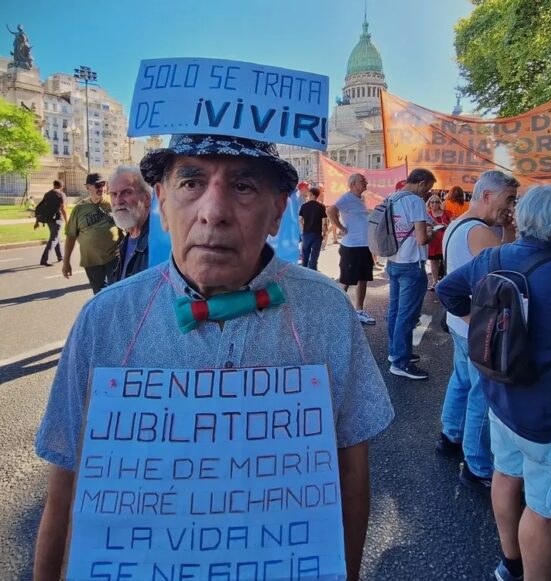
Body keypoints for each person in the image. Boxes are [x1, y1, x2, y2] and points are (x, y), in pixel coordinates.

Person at [33, 133, 394, 581]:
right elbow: (65, 487)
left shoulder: (326, 311)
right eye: (190, 182)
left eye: (243, 186)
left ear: (277, 210)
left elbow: (350, 475)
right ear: (162, 202)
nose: (213, 213)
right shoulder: (104, 320)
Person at [437, 185, 551, 581]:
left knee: (506, 475)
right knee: (545, 511)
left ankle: (510, 564)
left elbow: (448, 290)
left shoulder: (492, 256)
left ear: (523, 217)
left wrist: (480, 327)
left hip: (501, 396)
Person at [436, 170, 518, 494]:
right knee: (482, 396)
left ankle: (450, 435)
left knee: (462, 381)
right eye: (508, 198)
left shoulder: (457, 225)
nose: (511, 205)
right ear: (486, 195)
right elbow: (510, 271)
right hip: (477, 327)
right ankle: (477, 465)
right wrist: (511, 232)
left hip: (461, 322)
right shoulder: (480, 233)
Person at [386, 168, 436, 380]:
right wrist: (433, 233)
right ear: (422, 182)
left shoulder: (391, 198)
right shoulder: (415, 202)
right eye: (428, 188)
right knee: (407, 315)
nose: (427, 193)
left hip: (393, 260)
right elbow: (422, 239)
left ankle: (395, 352)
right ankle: (400, 362)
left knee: (395, 311)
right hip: (411, 263)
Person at [327, 173, 376, 325]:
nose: (366, 182)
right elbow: (330, 211)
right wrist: (341, 227)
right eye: (363, 180)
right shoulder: (346, 198)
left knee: (364, 278)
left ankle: (359, 310)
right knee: (346, 280)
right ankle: (335, 310)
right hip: (351, 246)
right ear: (353, 184)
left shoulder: (360, 198)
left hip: (364, 245)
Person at [62, 172, 120, 294]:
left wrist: (124, 246)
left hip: (114, 258)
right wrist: (66, 262)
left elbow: (130, 226)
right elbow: (71, 236)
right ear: (87, 187)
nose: (101, 188)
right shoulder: (79, 209)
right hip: (91, 261)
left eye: (103, 184)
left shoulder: (114, 203)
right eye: (97, 185)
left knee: (117, 292)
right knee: (99, 295)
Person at [108, 166, 151, 282]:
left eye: (126, 192)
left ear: (147, 198)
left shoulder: (160, 241)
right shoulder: (126, 241)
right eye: (113, 194)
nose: (118, 201)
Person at [36, 180, 67, 266]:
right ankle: (44, 259)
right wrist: (67, 221)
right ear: (62, 186)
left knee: (56, 237)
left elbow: (43, 206)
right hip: (58, 219)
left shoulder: (47, 194)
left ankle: (60, 256)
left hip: (49, 219)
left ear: (53, 185)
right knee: (54, 239)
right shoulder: (61, 194)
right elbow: (63, 208)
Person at [426, 194, 453, 290]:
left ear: (440, 203)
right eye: (432, 202)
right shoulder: (427, 214)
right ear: (429, 204)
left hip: (445, 241)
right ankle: (435, 282)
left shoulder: (447, 213)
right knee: (434, 262)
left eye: (436, 202)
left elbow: (453, 225)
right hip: (433, 241)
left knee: (447, 262)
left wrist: (446, 226)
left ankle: (447, 282)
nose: (434, 204)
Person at [299, 186, 327, 270]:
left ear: (311, 194)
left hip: (306, 234)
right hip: (317, 234)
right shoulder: (322, 207)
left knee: (305, 254)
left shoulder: (304, 206)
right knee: (314, 255)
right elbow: (324, 222)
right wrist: (324, 233)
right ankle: (313, 272)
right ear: (317, 196)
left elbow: (300, 220)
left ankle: (304, 270)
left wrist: (303, 228)